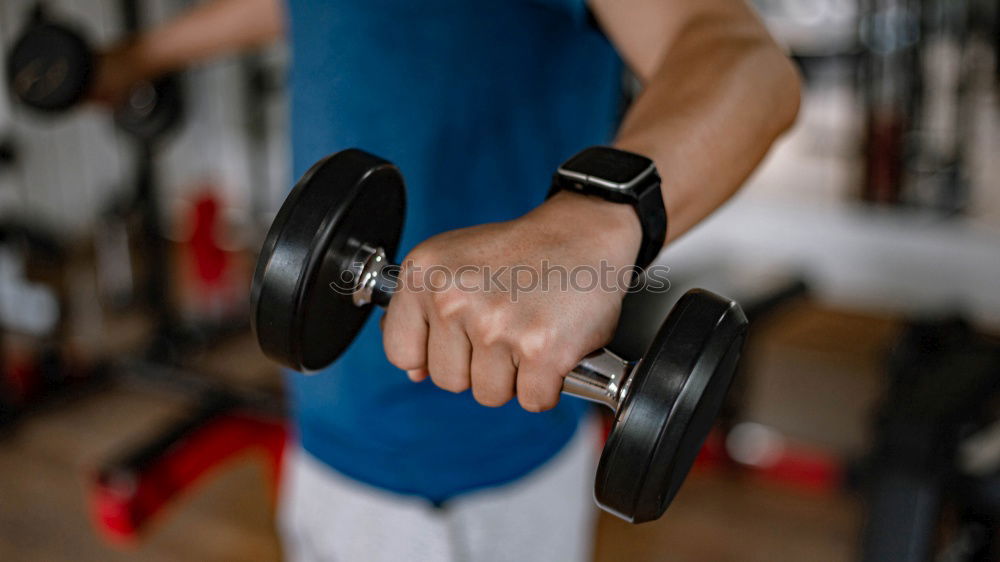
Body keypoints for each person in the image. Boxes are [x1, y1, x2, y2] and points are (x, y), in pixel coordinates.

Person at [92, 0, 800, 560]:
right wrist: (139, 58)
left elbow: (741, 60)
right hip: (327, 419)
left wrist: (596, 224)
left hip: (475, 468)